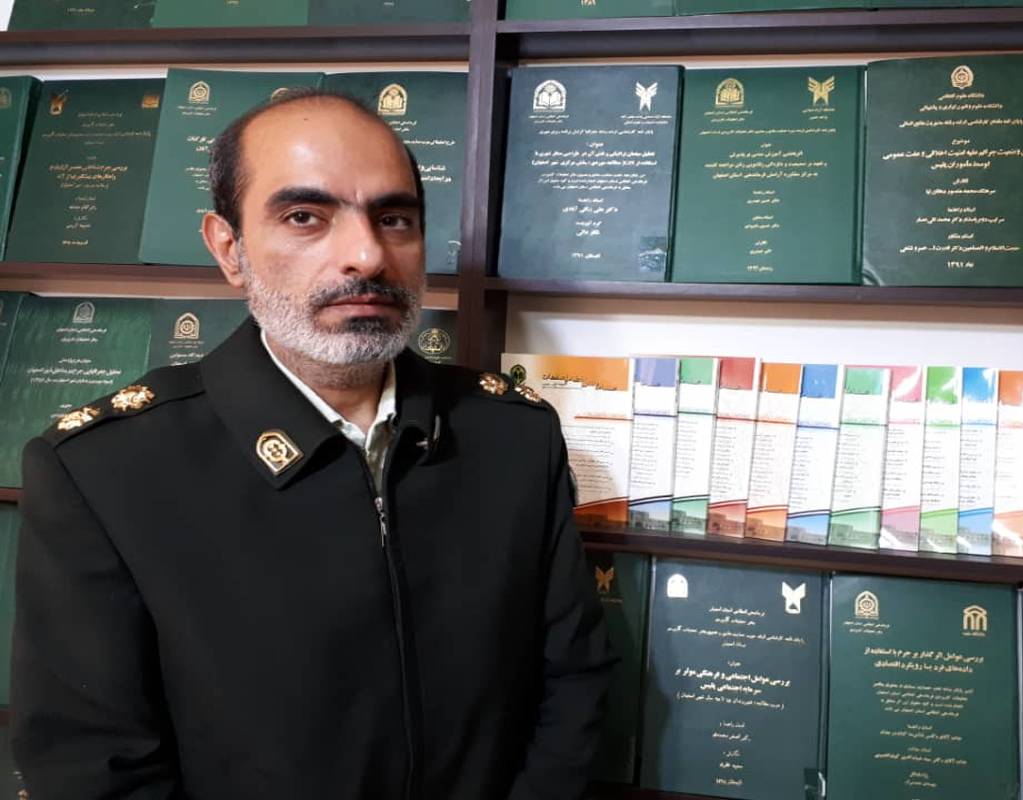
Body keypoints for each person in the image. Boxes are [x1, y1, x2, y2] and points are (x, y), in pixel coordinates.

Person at [12, 89, 615, 799]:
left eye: (394, 219)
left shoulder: (514, 436)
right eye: (305, 216)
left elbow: (574, 683)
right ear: (229, 248)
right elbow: (94, 767)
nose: (367, 255)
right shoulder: (103, 470)